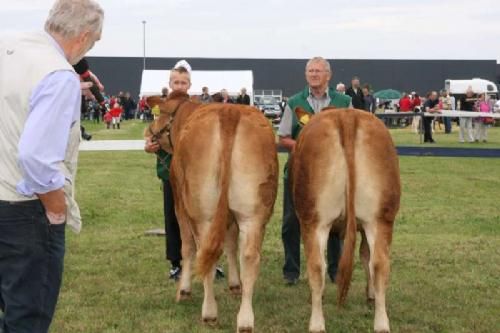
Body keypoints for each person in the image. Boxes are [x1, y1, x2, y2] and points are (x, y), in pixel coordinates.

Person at [0, 1, 104, 332]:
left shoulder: (8, 47)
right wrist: (56, 210)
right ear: (85, 36)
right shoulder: (57, 74)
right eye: (94, 41)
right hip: (24, 211)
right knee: (26, 317)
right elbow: (35, 157)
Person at [144, 61, 224, 280]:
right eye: (176, 81)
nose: (179, 85)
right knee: (173, 216)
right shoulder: (160, 107)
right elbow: (150, 134)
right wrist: (148, 145)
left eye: (183, 82)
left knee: (206, 215)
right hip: (170, 169)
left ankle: (209, 260)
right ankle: (176, 263)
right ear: (170, 83)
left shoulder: (198, 109)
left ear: (189, 85)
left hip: (200, 172)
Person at [278, 57, 351, 285]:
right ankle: (292, 270)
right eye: (310, 71)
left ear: (328, 75)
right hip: (300, 172)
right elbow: (283, 138)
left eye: (318, 71)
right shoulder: (294, 102)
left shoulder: (344, 101)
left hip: (334, 174)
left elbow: (352, 136)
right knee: (291, 222)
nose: (313, 75)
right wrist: (305, 146)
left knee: (335, 222)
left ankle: (335, 271)